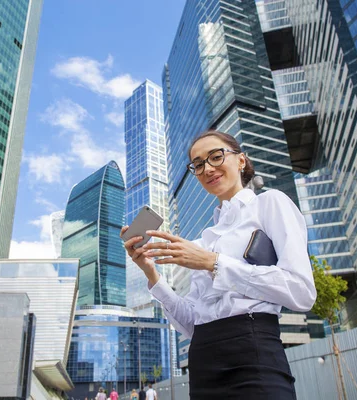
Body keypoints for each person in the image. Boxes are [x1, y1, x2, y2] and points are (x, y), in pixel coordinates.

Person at [122, 130, 317, 399]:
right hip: (203, 362)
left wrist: (213, 263)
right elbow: (192, 323)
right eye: (198, 164)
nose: (207, 169)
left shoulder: (269, 203)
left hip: (253, 350)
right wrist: (151, 272)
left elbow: (302, 292)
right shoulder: (204, 240)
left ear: (241, 160)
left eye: (216, 157)